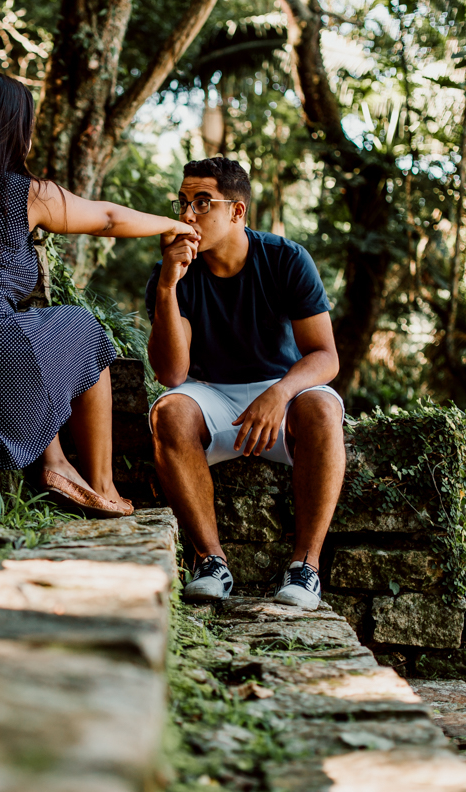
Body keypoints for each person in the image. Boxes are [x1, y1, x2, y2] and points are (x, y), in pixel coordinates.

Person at [0, 73, 197, 518]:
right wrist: (174, 224)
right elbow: (105, 218)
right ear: (15, 130)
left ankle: (55, 461)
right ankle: (101, 483)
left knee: (17, 333)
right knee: (81, 329)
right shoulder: (24, 193)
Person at [146, 156, 346, 610]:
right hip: (211, 393)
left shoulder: (285, 258)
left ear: (236, 212)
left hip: (283, 390)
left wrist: (280, 391)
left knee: (323, 408)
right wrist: (166, 287)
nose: (187, 215)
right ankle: (210, 561)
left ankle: (306, 568)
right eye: (182, 202)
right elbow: (171, 374)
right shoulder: (175, 270)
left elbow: (325, 356)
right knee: (169, 410)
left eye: (202, 203)